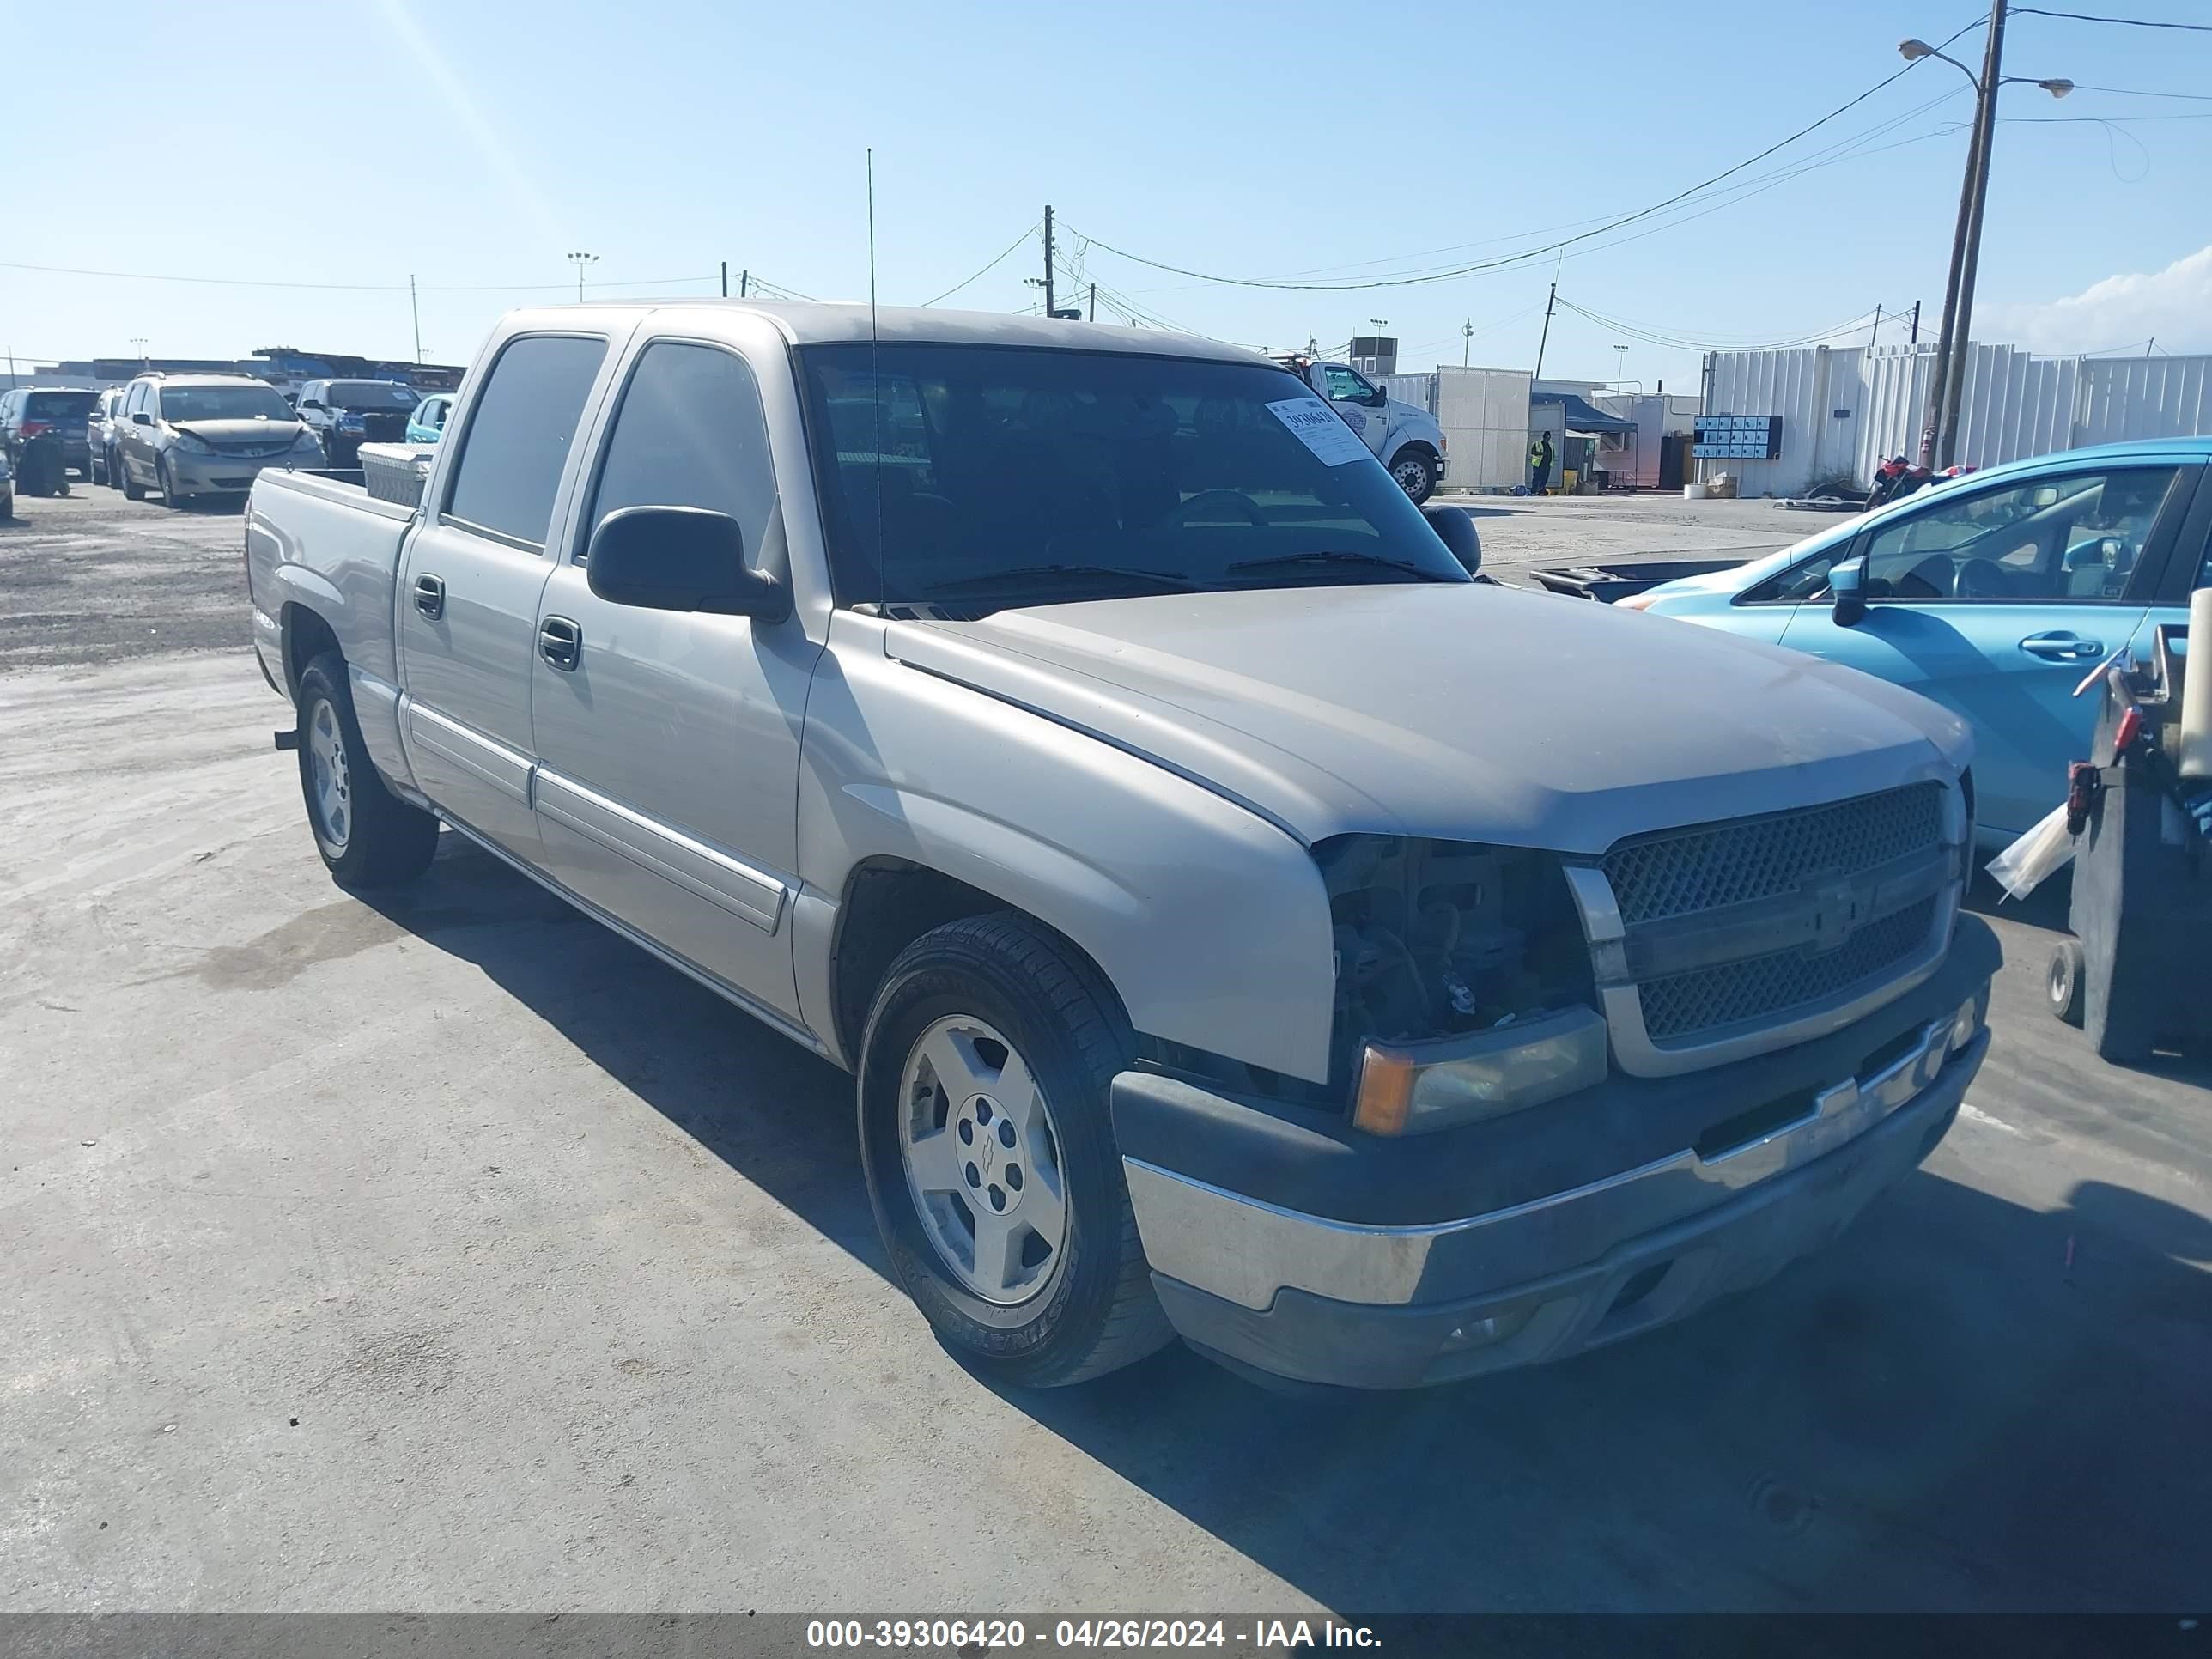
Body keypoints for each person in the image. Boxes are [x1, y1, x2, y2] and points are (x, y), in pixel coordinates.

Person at [1528, 429, 1553, 495]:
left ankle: (1541, 490)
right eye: (1546, 438)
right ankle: (1534, 491)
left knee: (1544, 478)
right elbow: (1533, 452)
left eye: (1548, 438)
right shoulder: (1537, 443)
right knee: (1537, 478)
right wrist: (1542, 453)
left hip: (1547, 465)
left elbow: (1552, 454)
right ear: (1543, 437)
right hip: (1538, 464)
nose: (1547, 439)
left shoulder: (1550, 444)